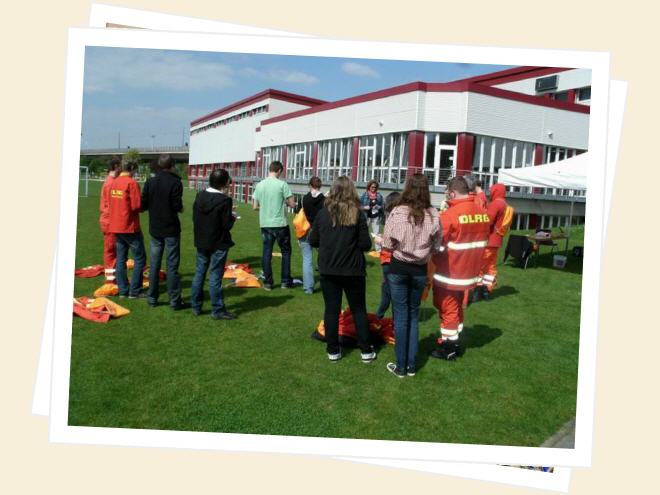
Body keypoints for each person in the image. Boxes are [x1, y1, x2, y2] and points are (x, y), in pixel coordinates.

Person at [378, 174, 441, 377]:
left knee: (402, 318)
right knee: (412, 317)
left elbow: (387, 244)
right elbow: (437, 246)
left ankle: (401, 366)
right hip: (419, 270)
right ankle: (410, 365)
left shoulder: (398, 212)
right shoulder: (433, 214)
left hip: (399, 269)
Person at [308, 176, 377, 364]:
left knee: (332, 310)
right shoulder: (354, 214)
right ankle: (365, 351)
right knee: (358, 310)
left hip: (330, 269)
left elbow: (313, 240)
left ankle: (333, 350)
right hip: (352, 270)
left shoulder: (324, 214)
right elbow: (365, 244)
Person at [429, 176, 490, 361]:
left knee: (447, 308)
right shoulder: (482, 212)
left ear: (453, 193)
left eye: (448, 193)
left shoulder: (450, 215)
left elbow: (436, 243)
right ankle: (454, 339)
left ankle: (448, 348)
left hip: (449, 272)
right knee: (456, 308)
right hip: (469, 273)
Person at [140, 154, 186, 310]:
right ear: (172, 165)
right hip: (171, 228)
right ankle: (174, 301)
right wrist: (180, 208)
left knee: (154, 264)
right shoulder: (176, 182)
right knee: (172, 265)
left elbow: (143, 204)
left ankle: (152, 298)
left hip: (155, 227)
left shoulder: (150, 181)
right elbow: (176, 205)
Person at [190, 169, 237, 320]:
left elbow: (195, 218)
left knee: (199, 274)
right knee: (215, 277)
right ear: (224, 183)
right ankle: (217, 310)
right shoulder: (225, 200)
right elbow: (226, 225)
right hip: (218, 242)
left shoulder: (200, 196)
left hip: (202, 240)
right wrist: (233, 217)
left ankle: (196, 306)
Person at [252, 161, 296, 290]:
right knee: (286, 252)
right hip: (280, 224)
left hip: (265, 224)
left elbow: (254, 207)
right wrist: (285, 202)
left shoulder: (260, 185)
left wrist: (265, 207)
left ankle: (268, 282)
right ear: (279, 170)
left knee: (267, 252)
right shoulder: (282, 184)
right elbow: (292, 204)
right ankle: (285, 281)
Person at [108, 157, 147, 299]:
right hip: (129, 226)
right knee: (140, 258)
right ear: (132, 169)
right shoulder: (131, 183)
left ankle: (123, 290)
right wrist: (145, 205)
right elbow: (136, 206)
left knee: (120, 259)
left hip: (116, 225)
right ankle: (135, 290)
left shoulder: (114, 182)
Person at [476, 183, 508, 301]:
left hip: (489, 240)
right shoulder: (504, 204)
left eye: (491, 190)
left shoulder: (495, 204)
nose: (490, 193)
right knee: (491, 267)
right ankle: (487, 290)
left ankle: (478, 290)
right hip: (497, 240)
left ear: (496, 191)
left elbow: (487, 221)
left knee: (479, 266)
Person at [295, 176, 325, 294]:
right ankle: (326, 284)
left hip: (305, 230)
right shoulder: (325, 200)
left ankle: (308, 288)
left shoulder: (304, 199)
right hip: (320, 231)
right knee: (323, 258)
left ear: (310, 185)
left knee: (307, 259)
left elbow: (297, 214)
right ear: (320, 186)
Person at [374, 191, 401, 319]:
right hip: (390, 259)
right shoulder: (399, 218)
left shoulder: (394, 219)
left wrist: (381, 240)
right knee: (389, 288)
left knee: (389, 290)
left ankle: (380, 316)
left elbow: (394, 242)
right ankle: (381, 315)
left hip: (390, 259)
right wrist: (384, 236)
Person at [99, 155, 121, 283]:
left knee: (112, 250)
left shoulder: (110, 181)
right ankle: (111, 280)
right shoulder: (111, 183)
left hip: (108, 220)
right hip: (110, 221)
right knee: (111, 251)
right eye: (120, 166)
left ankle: (112, 277)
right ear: (116, 166)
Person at [360, 180, 384, 251]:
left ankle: (378, 250)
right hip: (366, 217)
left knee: (376, 233)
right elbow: (358, 206)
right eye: (372, 187)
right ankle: (363, 247)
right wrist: (364, 207)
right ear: (369, 187)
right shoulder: (364, 195)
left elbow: (383, 206)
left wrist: (379, 207)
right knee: (363, 233)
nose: (374, 188)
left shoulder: (379, 195)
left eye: (375, 187)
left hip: (376, 217)